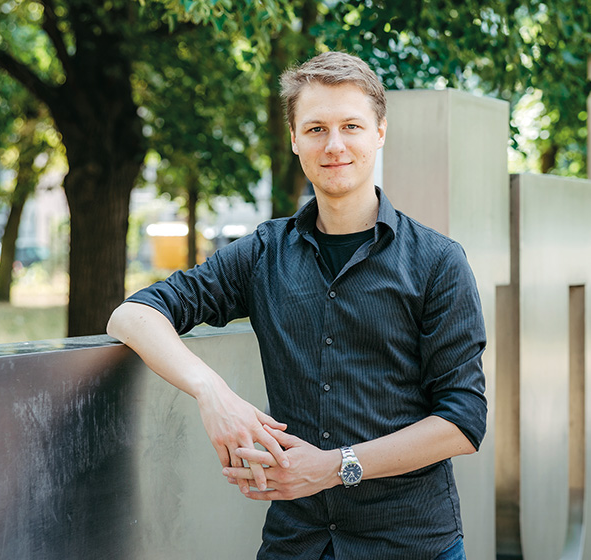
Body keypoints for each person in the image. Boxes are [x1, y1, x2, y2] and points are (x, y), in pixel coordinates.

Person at [106, 51, 487, 560]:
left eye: (351, 126)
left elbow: (463, 421)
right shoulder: (263, 253)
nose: (334, 146)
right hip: (296, 544)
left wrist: (336, 465)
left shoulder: (438, 261)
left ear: (379, 132)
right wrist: (212, 393)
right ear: (293, 139)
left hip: (411, 543)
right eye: (315, 129)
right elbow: (131, 314)